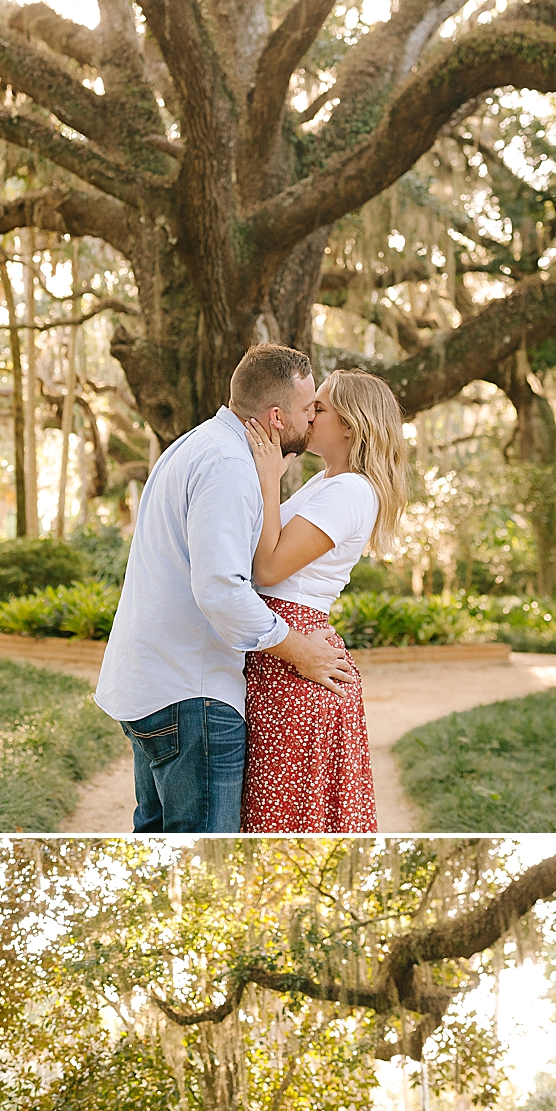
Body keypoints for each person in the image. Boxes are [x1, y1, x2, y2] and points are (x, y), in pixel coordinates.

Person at [94, 343, 354, 833]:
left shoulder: (197, 444)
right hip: (192, 698)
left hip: (152, 685)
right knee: (204, 848)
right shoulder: (228, 465)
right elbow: (221, 589)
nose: (312, 419)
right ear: (277, 417)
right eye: (306, 409)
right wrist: (300, 651)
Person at [240, 368, 409, 832]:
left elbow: (269, 568)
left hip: (295, 661)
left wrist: (269, 476)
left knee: (283, 812)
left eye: (320, 408)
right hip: (282, 648)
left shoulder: (351, 490)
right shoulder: (325, 482)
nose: (308, 417)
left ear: (351, 424)